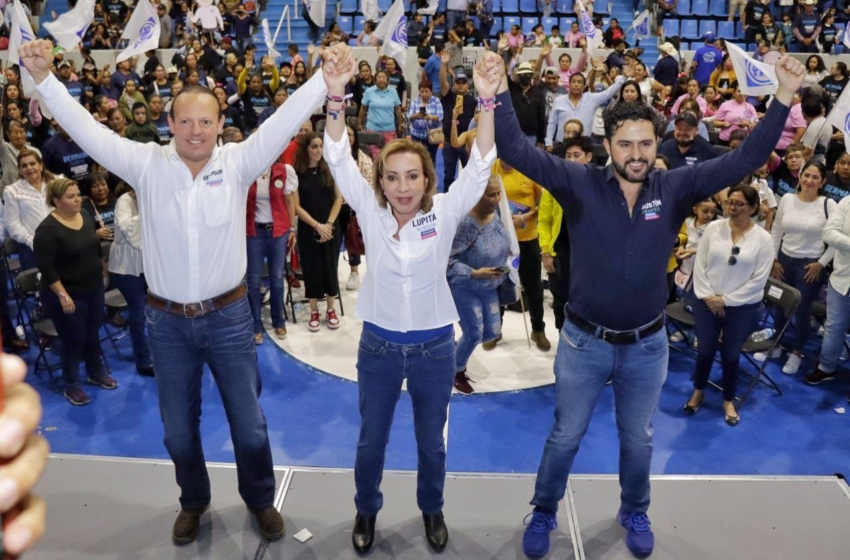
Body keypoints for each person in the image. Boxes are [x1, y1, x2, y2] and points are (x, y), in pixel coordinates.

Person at [19, 38, 349, 544]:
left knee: (251, 426)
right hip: (166, 323)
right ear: (170, 124)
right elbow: (85, 127)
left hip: (231, 318)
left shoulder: (237, 162)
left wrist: (324, 84)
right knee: (177, 430)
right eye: (186, 121)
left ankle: (259, 499)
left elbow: (283, 119)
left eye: (206, 121)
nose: (196, 130)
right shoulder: (145, 164)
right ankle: (193, 501)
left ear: (220, 125)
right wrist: (45, 81)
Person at [488, 51, 804, 558]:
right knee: (565, 436)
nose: (635, 153)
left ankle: (634, 508)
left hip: (647, 346)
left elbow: (744, 161)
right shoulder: (579, 183)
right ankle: (544, 510)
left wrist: (784, 97)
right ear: (606, 145)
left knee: (638, 440)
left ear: (656, 144)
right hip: (583, 341)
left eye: (644, 143)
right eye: (624, 143)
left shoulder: (675, 186)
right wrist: (498, 90)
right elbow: (515, 149)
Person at [321, 48, 498, 555]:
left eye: (412, 176)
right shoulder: (369, 211)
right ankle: (366, 509)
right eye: (392, 177)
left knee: (431, 443)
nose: (402, 187)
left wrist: (485, 104)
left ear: (427, 180)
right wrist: (336, 96)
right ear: (380, 181)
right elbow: (336, 154)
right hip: (377, 347)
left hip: (435, 349)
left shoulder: (444, 211)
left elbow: (481, 165)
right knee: (370, 441)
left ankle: (432, 508)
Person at [684, 185, 773, 425]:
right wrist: (710, 298)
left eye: (739, 204)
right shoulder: (714, 228)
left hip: (742, 307)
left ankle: (728, 399)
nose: (732, 207)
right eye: (730, 202)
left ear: (753, 208)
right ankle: (698, 389)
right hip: (706, 301)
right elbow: (699, 266)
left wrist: (726, 300)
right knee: (704, 350)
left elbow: (759, 280)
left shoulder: (764, 239)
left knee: (731, 355)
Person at [33, 178, 115, 406]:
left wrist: (103, 273)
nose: (78, 199)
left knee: (92, 333)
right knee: (74, 339)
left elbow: (95, 250)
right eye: (71, 196)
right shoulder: (47, 230)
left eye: (78, 194)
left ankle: (96, 372)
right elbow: (46, 269)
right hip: (65, 295)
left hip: (93, 288)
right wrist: (63, 295)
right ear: (57, 201)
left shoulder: (86, 216)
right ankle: (72, 385)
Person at [760, 161, 835, 374]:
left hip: (809, 265)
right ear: (800, 176)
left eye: (814, 177)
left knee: (802, 310)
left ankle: (796, 353)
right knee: (779, 304)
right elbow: (776, 230)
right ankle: (775, 345)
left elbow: (838, 239)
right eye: (806, 175)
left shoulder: (828, 205)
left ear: (822, 182)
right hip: (784, 260)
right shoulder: (787, 199)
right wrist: (774, 259)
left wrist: (821, 263)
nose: (809, 181)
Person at [448, 175, 511, 394]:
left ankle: (455, 351)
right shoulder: (465, 224)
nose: (496, 199)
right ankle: (456, 370)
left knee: (492, 331)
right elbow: (448, 262)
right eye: (491, 195)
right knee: (474, 333)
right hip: (466, 287)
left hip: (490, 286)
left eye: (498, 193)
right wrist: (474, 273)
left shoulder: (496, 213)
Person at [242, 141, 297, 343]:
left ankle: (278, 321)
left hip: (278, 232)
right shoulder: (248, 171)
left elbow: (290, 201)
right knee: (253, 280)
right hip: (254, 232)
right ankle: (255, 324)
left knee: (276, 278)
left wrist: (292, 228)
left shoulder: (284, 170)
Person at [492, 159, 549, 350]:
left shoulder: (529, 169)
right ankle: (495, 330)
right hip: (500, 241)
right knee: (497, 284)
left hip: (527, 240)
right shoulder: (492, 168)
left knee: (533, 286)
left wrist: (525, 217)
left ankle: (538, 330)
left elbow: (545, 203)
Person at [293, 132, 343, 332]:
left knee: (330, 266)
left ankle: (331, 309)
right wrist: (317, 226)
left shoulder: (330, 169)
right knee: (311, 268)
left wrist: (328, 224)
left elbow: (339, 198)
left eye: (321, 146)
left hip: (331, 227)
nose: (318, 150)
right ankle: (314, 310)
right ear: (306, 149)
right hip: (309, 227)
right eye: (314, 146)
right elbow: (296, 206)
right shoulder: (296, 173)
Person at [109, 184, 154, 376]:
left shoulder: (154, 198)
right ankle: (143, 361)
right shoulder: (124, 202)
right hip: (126, 268)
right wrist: (148, 207)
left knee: (159, 308)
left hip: (151, 264)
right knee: (138, 312)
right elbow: (132, 234)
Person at [807, 193, 850, 384]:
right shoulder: (847, 201)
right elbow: (829, 232)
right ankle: (826, 367)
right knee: (833, 326)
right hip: (841, 278)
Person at [3, 150, 54, 270]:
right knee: (40, 287)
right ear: (19, 170)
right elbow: (12, 224)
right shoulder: (12, 191)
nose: (29, 168)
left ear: (41, 166)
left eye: (32, 163)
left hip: (61, 242)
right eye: (24, 166)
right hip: (31, 248)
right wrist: (32, 241)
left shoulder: (55, 183)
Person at [359, 70, 403, 160]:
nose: (381, 79)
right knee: (376, 157)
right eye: (379, 77)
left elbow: (398, 109)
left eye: (384, 77)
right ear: (375, 79)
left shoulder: (393, 92)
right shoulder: (369, 91)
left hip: (389, 128)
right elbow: (363, 109)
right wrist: (359, 123)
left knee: (390, 156)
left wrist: (400, 123)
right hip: (373, 129)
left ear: (387, 80)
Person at [408, 80, 444, 163]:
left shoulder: (436, 101)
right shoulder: (415, 101)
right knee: (416, 159)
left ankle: (430, 175)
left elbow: (440, 116)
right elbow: (409, 117)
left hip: (432, 136)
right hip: (416, 136)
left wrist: (430, 117)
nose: (424, 93)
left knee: (431, 160)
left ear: (431, 92)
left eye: (426, 91)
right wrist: (416, 116)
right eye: (422, 91)